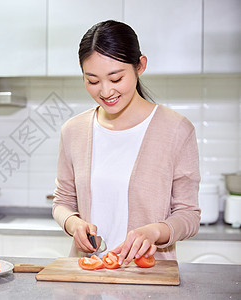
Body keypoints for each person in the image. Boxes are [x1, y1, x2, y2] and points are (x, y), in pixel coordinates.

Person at [52, 20, 201, 265]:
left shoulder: (176, 130)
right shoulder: (73, 131)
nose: (106, 91)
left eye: (116, 78)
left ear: (140, 66)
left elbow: (189, 215)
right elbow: (62, 203)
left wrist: (155, 231)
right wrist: (73, 223)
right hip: (87, 277)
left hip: (148, 279)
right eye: (92, 80)